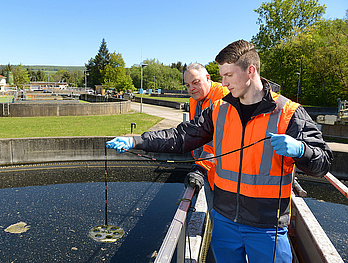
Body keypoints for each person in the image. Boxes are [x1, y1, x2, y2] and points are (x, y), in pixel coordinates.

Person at [106, 40, 333, 262]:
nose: (223, 83)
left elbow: (322, 163)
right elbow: (182, 136)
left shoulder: (288, 113)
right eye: (221, 76)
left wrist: (301, 150)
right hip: (225, 222)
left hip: (266, 229)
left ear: (250, 71)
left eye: (228, 75)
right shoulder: (219, 110)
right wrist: (136, 141)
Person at [183, 63, 229, 202]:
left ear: (208, 78)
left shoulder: (223, 96)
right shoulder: (193, 100)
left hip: (223, 175)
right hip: (205, 170)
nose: (191, 88)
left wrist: (200, 167)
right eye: (187, 85)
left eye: (195, 82)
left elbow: (220, 137)